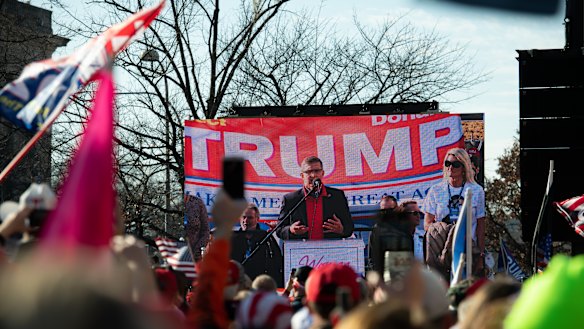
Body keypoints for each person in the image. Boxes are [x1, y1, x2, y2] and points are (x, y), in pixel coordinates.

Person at [422, 147, 486, 277]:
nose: (450, 167)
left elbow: (480, 225)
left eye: (455, 164)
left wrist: (481, 255)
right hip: (441, 250)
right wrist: (445, 230)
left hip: (467, 248)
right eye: (448, 164)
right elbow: (427, 224)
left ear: (464, 167)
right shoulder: (436, 190)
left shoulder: (477, 190)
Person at [275, 156, 353, 240]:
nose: (313, 175)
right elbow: (279, 230)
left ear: (322, 173)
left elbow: (349, 228)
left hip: (331, 249)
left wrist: (341, 230)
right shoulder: (291, 199)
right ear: (302, 175)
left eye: (317, 171)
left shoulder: (337, 196)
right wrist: (290, 230)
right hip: (301, 250)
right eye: (309, 171)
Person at [230, 204, 283, 287]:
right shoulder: (233, 238)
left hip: (261, 284)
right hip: (239, 284)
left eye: (250, 218)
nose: (246, 221)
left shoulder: (266, 238)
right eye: (243, 217)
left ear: (257, 219)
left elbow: (277, 261)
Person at [367, 206, 415, 281]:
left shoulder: (405, 232)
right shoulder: (376, 232)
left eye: (390, 210)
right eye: (383, 211)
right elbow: (372, 258)